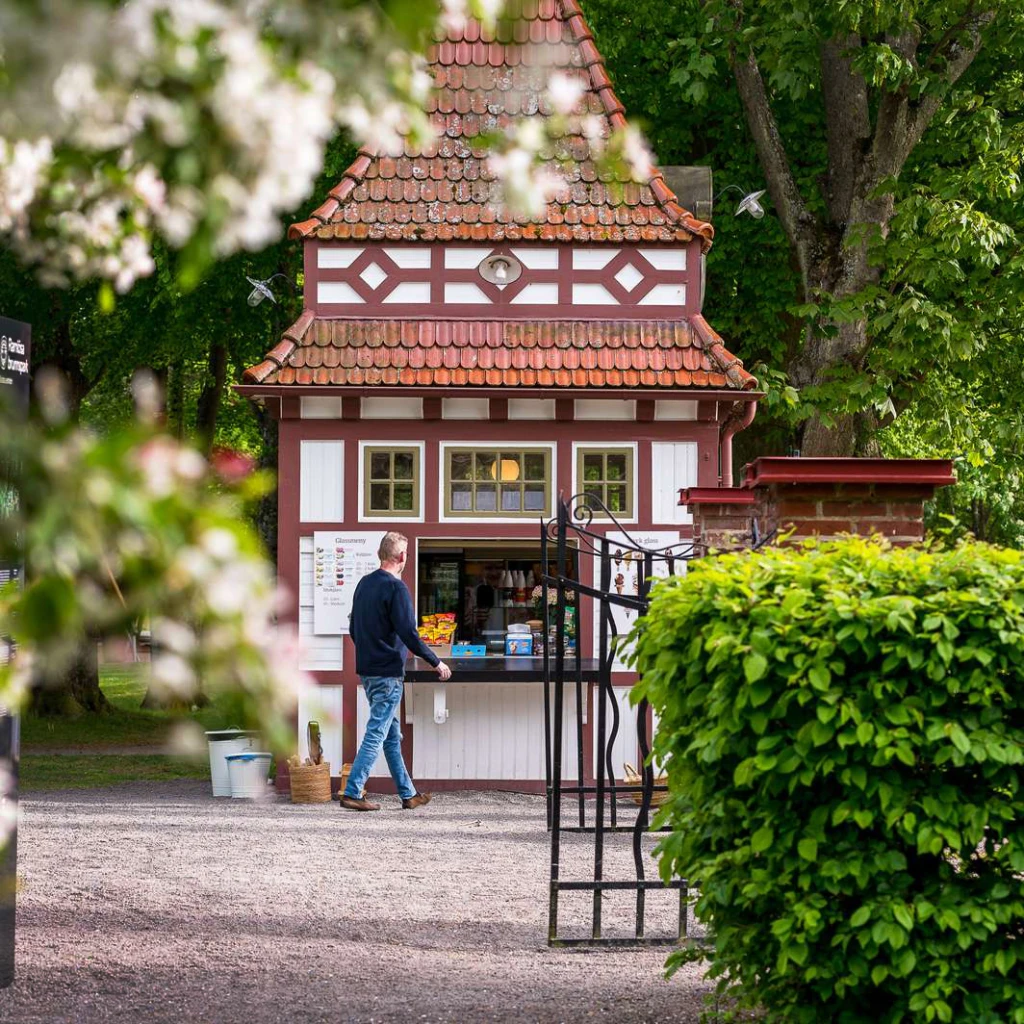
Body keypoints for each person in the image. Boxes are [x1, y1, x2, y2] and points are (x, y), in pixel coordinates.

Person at [341, 531, 451, 811]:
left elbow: (354, 629)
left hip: (368, 670)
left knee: (391, 735)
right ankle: (353, 791)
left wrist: (372, 651)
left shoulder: (364, 584)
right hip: (388, 673)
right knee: (377, 731)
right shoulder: (396, 588)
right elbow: (409, 633)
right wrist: (435, 661)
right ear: (401, 556)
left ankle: (408, 794)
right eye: (406, 553)